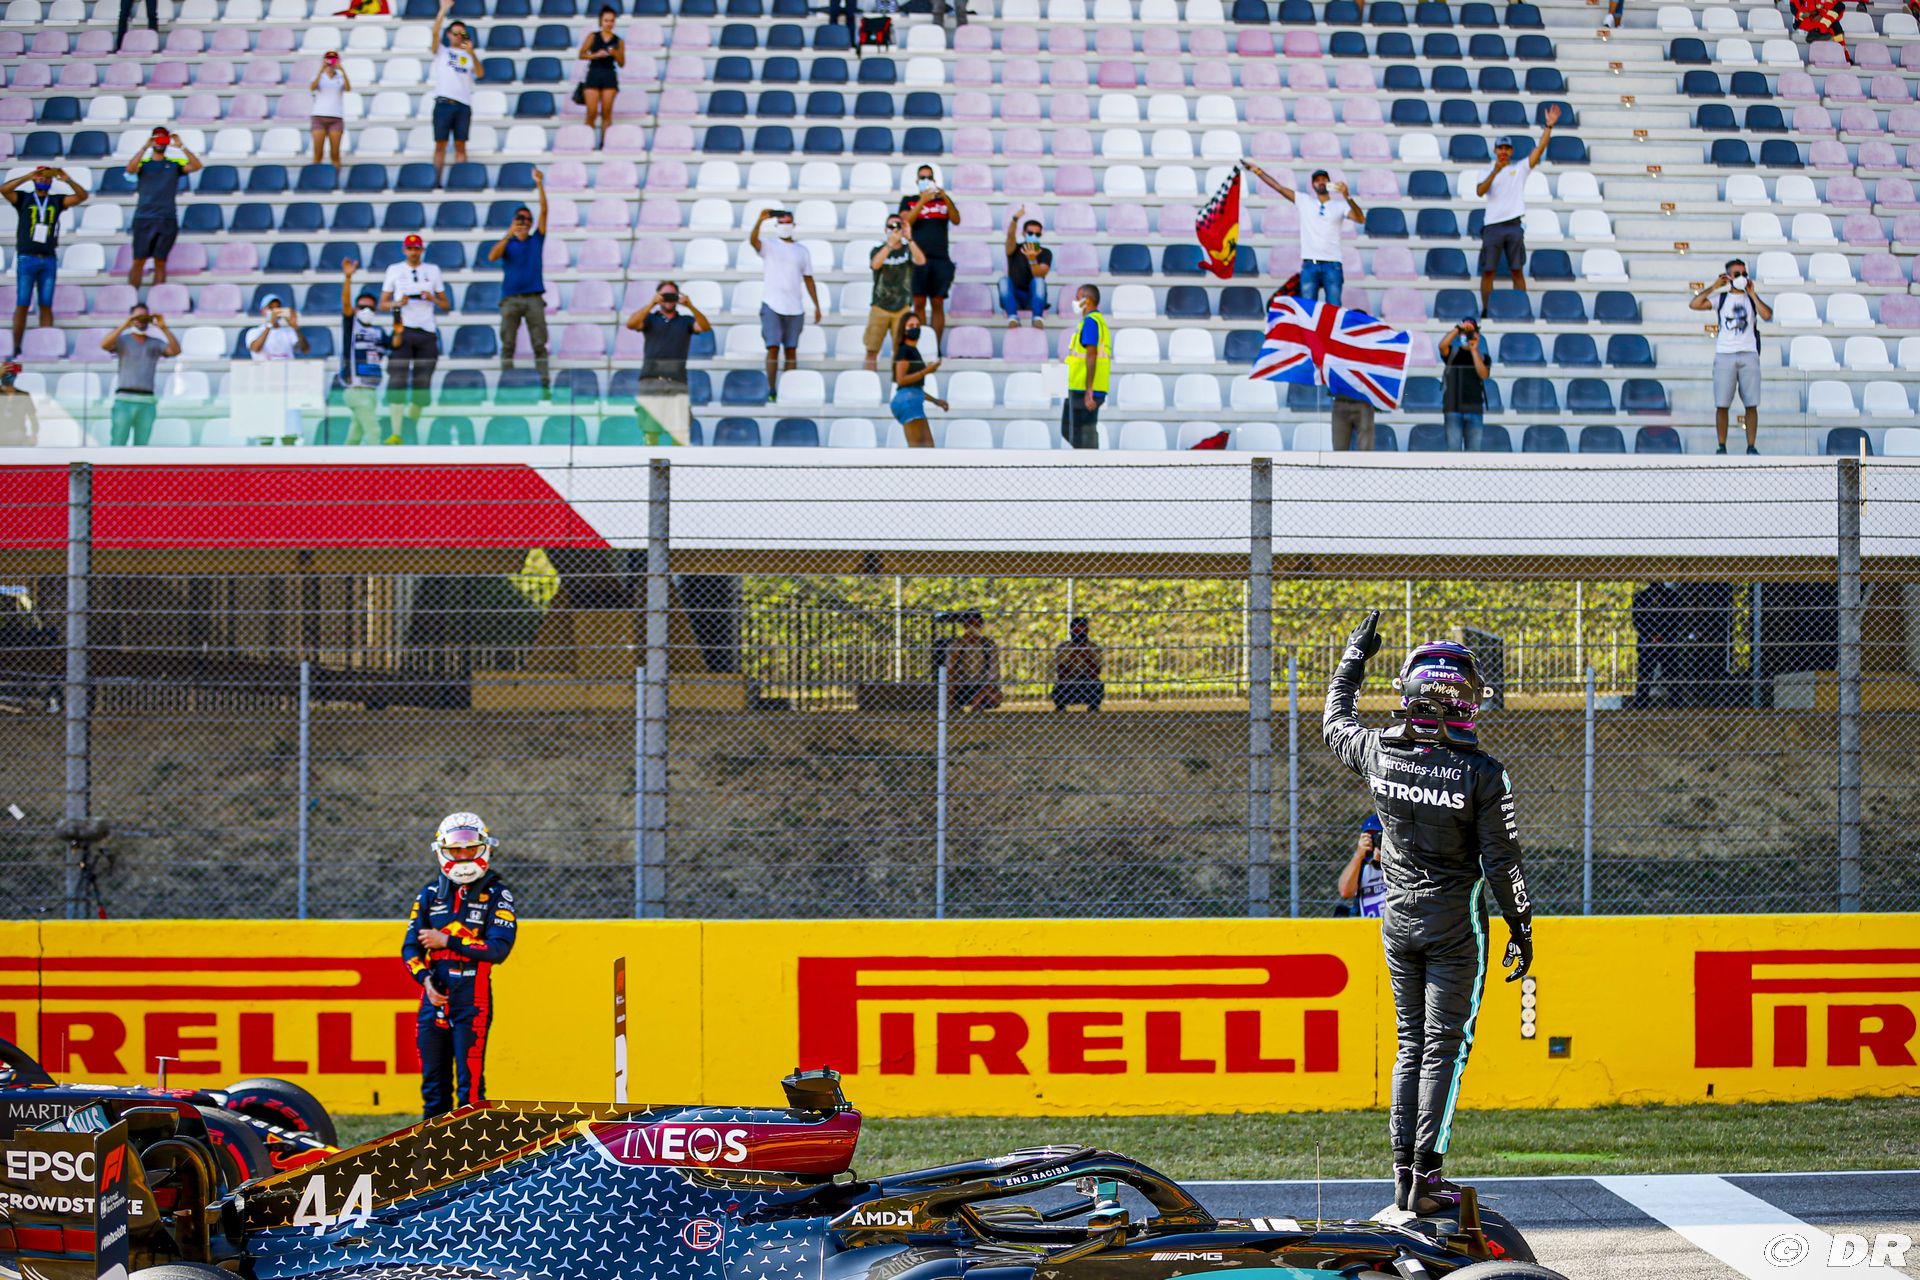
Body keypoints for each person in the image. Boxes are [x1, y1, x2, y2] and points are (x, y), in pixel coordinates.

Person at [1323, 612, 1534, 1217]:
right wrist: (1521, 928)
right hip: (1455, 928)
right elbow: (1502, 863)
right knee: (1446, 1048)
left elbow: (1334, 721)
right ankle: (1427, 1176)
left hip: (1397, 922)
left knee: (1410, 1044)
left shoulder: (1378, 752)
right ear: (1465, 700)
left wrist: (1354, 657)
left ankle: (1401, 1176)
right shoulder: (1483, 773)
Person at [401, 812, 518, 1120]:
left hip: (473, 998)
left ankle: (475, 1148)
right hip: (433, 998)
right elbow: (410, 948)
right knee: (433, 1088)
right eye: (456, 850)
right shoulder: (428, 894)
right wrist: (426, 981)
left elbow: (498, 949)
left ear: (485, 847)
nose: (464, 856)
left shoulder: (497, 894)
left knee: (471, 1088)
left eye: (471, 848)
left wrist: (447, 941)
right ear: (442, 851)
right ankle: (433, 1148)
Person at [1471, 104, 1561, 317]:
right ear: (1495, 151)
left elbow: (1538, 150)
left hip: (1513, 224)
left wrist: (1548, 127)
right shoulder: (1486, 171)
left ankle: (1521, 308)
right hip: (1492, 226)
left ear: (1511, 151)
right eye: (1500, 148)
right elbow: (1480, 191)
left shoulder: (1519, 169)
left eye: (1507, 148)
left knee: (1517, 270)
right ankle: (1487, 310)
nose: (1503, 152)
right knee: (1488, 271)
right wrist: (1495, 171)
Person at [1242, 163, 1364, 308]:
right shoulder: (1305, 201)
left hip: (1332, 264)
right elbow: (1278, 187)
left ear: (1329, 183)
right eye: (1317, 180)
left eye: (1324, 179)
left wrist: (1347, 195)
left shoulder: (1340, 205)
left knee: (1334, 308)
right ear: (1313, 185)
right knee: (1307, 309)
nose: (1321, 182)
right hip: (1310, 263)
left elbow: (1360, 219)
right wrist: (1258, 171)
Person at [1689, 258, 1772, 456]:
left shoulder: (1751, 299)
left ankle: (1751, 446)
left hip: (1749, 353)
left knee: (1751, 404)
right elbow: (1694, 304)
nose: (1742, 277)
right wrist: (1714, 287)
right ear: (1728, 276)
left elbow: (1767, 315)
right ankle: (1721, 446)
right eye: (1737, 274)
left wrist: (1753, 294)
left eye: (1744, 274)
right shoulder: (1722, 299)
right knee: (1722, 404)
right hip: (1725, 354)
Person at [4, 167, 88, 353]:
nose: (43, 180)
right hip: (27, 258)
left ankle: (46, 346)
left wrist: (68, 180)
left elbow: (82, 196)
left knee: (46, 304)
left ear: (51, 181)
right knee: (22, 303)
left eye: (47, 177)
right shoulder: (24, 198)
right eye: (40, 177)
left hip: (48, 258)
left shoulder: (56, 200)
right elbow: (4, 189)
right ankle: (16, 346)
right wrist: (27, 176)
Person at [380, 234, 450, 445]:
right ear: (404, 250)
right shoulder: (394, 270)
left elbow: (446, 305)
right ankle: (396, 431)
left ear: (422, 250)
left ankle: (410, 426)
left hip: (427, 330)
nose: (413, 252)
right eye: (410, 248)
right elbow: (383, 303)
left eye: (417, 248)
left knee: (422, 381)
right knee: (397, 379)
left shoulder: (433, 270)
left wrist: (431, 298)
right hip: (403, 329)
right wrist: (398, 303)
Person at [487, 168, 550, 396]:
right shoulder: (508, 244)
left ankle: (544, 384)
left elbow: (544, 211)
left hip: (533, 297)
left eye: (527, 220)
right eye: (519, 219)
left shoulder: (536, 240)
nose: (523, 223)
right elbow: (492, 256)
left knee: (539, 343)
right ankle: (506, 382)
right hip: (511, 298)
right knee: (508, 343)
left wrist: (539, 185)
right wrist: (509, 233)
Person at [747, 208, 820, 404]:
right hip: (772, 303)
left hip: (795, 306)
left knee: (791, 350)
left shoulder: (802, 250)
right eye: (782, 222)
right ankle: (771, 389)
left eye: (788, 222)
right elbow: (753, 241)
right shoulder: (769, 245)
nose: (785, 226)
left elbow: (809, 279)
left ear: (793, 225)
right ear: (776, 225)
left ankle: (790, 390)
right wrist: (759, 221)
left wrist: (817, 305)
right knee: (772, 347)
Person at [126, 129, 201, 290]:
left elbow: (196, 165)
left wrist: (181, 146)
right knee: (138, 260)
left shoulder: (174, 164)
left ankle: (157, 298)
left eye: (163, 139)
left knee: (160, 261)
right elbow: (130, 169)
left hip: (167, 218)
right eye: (157, 139)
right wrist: (145, 147)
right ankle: (131, 297)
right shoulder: (144, 164)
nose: (159, 142)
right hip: (144, 217)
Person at [99, 303, 178, 447]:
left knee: (142, 447)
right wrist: (126, 324)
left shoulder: (154, 343)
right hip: (124, 401)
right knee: (118, 443)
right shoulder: (123, 340)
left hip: (147, 402)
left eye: (144, 317)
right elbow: (104, 345)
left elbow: (175, 351)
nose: (141, 320)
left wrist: (163, 328)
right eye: (137, 317)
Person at [899, 164, 959, 349]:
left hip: (940, 258)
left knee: (937, 302)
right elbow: (905, 222)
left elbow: (956, 219)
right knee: (919, 302)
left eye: (929, 177)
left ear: (934, 180)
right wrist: (922, 201)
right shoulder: (909, 200)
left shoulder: (943, 201)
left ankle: (935, 346)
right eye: (922, 177)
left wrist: (945, 197)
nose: (926, 180)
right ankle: (923, 346)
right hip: (917, 259)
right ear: (917, 181)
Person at [430, 0, 484, 188]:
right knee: (441, 145)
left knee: (461, 145)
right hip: (444, 103)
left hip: (463, 104)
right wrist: (443, 10)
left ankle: (461, 182)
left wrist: (472, 52)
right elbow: (434, 33)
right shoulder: (442, 52)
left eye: (462, 34)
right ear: (449, 34)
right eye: (455, 33)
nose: (459, 37)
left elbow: (480, 73)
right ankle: (436, 181)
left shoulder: (468, 56)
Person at [626, 279, 712, 394]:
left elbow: (705, 327)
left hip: (677, 380)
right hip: (650, 379)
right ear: (658, 296)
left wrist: (691, 306)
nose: (668, 298)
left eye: (672, 295)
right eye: (665, 295)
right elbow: (631, 324)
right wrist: (652, 304)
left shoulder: (686, 320)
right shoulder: (649, 319)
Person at [338, 259, 388, 446]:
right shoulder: (352, 326)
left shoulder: (379, 332)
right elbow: (345, 304)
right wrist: (348, 277)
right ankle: (379, 464)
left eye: (370, 308)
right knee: (374, 431)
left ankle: (343, 462)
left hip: (372, 389)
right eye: (361, 307)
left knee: (355, 434)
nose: (366, 310)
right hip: (356, 389)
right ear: (356, 309)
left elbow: (394, 344)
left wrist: (398, 311)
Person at [863, 212, 921, 371]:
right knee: (872, 350)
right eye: (891, 226)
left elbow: (921, 260)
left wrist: (909, 238)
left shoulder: (908, 249)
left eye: (898, 225)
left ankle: (899, 383)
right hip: (879, 306)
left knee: (901, 351)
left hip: (903, 307)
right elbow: (875, 265)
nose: (894, 229)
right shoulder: (877, 250)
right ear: (885, 229)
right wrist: (890, 245)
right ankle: (869, 382)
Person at [1061, 284, 1110, 450]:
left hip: (1084, 390)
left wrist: (1089, 389)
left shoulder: (1090, 322)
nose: (1075, 301)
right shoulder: (1096, 321)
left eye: (1077, 297)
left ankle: (1091, 463)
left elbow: (1091, 355)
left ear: (1086, 301)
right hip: (1084, 387)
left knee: (1079, 433)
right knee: (1081, 432)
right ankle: (1090, 461)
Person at [889, 312, 946, 448]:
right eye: (911, 326)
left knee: (928, 448)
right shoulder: (904, 351)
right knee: (917, 451)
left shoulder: (913, 350)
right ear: (904, 330)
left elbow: (915, 388)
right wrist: (926, 371)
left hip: (913, 399)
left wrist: (935, 401)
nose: (915, 328)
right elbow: (902, 380)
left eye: (917, 325)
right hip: (907, 402)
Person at [1438, 318, 1490, 451]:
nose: (1467, 335)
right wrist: (1458, 329)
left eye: (1470, 332)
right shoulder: (1453, 353)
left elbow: (1483, 374)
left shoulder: (1483, 357)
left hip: (1474, 408)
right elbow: (1442, 346)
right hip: (1453, 408)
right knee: (1453, 452)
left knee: (1473, 455)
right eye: (1464, 332)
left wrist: (1474, 350)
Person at [578, 7, 625, 145]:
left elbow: (622, 63)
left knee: (606, 113)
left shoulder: (618, 41)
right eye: (606, 20)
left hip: (609, 75)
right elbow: (581, 54)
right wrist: (595, 55)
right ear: (601, 21)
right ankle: (588, 144)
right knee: (591, 113)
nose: (609, 23)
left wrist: (615, 53)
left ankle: (605, 144)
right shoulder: (593, 36)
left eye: (611, 21)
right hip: (594, 73)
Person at [1001, 206, 1053, 327]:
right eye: (1030, 233)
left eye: (1037, 234)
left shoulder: (1045, 252)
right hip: (1015, 297)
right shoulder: (1014, 249)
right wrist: (1015, 219)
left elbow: (1040, 274)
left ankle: (1037, 318)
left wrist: (1032, 259)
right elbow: (1010, 236)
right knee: (1004, 281)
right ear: (1023, 233)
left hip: (1034, 297)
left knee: (1038, 281)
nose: (1033, 236)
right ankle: (1013, 318)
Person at [943, 610, 1002, 711]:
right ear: (965, 626)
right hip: (961, 685)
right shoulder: (955, 644)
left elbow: (994, 673)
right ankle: (953, 710)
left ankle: (976, 708)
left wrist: (980, 694)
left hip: (982, 686)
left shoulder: (988, 645)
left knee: (996, 696)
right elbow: (949, 670)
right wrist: (961, 647)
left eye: (977, 624)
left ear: (981, 626)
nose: (973, 628)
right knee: (950, 684)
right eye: (970, 624)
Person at [1338, 813, 1387, 918]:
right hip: (1367, 924)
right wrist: (1358, 855)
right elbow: (1345, 892)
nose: (1375, 840)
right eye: (1370, 836)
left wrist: (1386, 861)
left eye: (1378, 835)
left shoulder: (1400, 860)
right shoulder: (1362, 863)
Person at [1051, 616, 1104, 712]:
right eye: (1076, 630)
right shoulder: (1063, 647)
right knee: (1058, 686)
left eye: (1082, 630)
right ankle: (1061, 706)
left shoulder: (1094, 647)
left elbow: (1096, 671)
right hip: (1068, 681)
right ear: (1071, 631)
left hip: (1087, 680)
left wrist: (1085, 654)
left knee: (1098, 685)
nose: (1079, 634)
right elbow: (1061, 673)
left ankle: (1093, 706)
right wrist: (1074, 655)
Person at [310, 51, 351, 168]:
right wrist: (321, 70)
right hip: (319, 116)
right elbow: (313, 87)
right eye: (329, 59)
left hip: (336, 117)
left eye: (333, 60)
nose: (331, 62)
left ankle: (335, 177)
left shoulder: (340, 77)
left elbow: (348, 88)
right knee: (318, 154)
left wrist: (342, 71)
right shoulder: (319, 76)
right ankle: (317, 177)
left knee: (335, 154)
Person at [245, 295, 310, 361]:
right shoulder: (254, 331)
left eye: (278, 307)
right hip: (265, 367)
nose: (275, 311)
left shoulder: (289, 331)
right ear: (262, 311)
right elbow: (255, 349)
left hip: (286, 367)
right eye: (271, 308)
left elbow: (305, 350)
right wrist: (270, 324)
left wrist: (295, 327)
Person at [0, 361, 41, 447]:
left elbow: (33, 419)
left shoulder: (23, 395)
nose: (8, 376)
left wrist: (34, 435)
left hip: (18, 438)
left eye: (11, 373)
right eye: (6, 373)